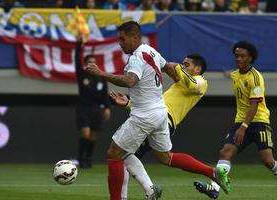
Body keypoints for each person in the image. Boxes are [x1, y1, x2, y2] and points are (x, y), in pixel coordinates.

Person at [85, 21, 230, 200]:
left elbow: (130, 81)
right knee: (166, 158)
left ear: (135, 37)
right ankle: (212, 172)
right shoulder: (151, 51)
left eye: (123, 39)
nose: (120, 43)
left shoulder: (139, 56)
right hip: (160, 114)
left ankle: (136, 193)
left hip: (145, 117)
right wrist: (130, 102)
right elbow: (167, 67)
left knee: (115, 154)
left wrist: (101, 74)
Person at [194, 41, 277, 200]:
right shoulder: (234, 75)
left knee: (267, 160)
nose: (238, 59)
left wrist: (244, 127)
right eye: (236, 56)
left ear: (250, 58)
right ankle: (215, 189)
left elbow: (255, 104)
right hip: (240, 121)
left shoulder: (256, 77)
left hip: (259, 122)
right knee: (225, 152)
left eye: (242, 56)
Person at [110, 53, 221, 199]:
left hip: (162, 121)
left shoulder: (201, 81)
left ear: (197, 69)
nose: (182, 67)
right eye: (182, 64)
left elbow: (192, 84)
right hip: (156, 118)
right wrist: (128, 104)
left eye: (186, 64)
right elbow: (152, 107)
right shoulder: (179, 84)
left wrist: (174, 66)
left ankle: (146, 191)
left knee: (120, 154)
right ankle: (211, 172)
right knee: (159, 158)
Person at [75, 35, 111, 169]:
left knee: (94, 135)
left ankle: (89, 158)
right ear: (86, 64)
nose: (92, 64)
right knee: (86, 133)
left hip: (96, 110)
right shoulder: (82, 75)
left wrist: (107, 108)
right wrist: (79, 44)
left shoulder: (101, 77)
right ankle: (81, 158)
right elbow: (76, 60)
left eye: (94, 62)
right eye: (90, 62)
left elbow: (104, 95)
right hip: (83, 109)